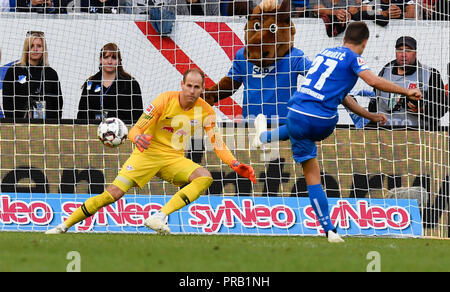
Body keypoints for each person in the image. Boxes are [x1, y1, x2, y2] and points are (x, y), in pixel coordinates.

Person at [253, 22, 422, 242]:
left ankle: (329, 230)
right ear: (365, 42)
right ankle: (263, 137)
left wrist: (369, 116)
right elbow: (371, 81)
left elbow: (342, 94)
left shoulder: (325, 54)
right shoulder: (354, 58)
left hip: (295, 112)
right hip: (323, 122)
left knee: (310, 171)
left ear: (343, 39)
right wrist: (406, 92)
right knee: (303, 136)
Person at [46, 68, 256, 235]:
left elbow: (218, 144)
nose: (192, 90)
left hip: (173, 159)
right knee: (112, 194)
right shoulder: (164, 100)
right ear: (181, 85)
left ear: (202, 89)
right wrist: (137, 137)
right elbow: (136, 129)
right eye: (189, 85)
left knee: (204, 177)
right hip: (145, 155)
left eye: (197, 87)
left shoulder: (206, 110)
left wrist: (235, 164)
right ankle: (64, 225)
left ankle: (159, 216)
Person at [368, 36, 447, 130]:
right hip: (387, 133)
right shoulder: (385, 72)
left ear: (415, 53)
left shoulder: (430, 74)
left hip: (420, 134)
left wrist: (422, 110)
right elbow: (374, 105)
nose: (403, 54)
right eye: (399, 50)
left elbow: (442, 108)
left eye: (408, 50)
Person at [2, 31, 63, 121]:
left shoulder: (51, 74)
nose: (35, 49)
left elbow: (58, 104)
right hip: (19, 126)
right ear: (26, 48)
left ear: (43, 49)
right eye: (31, 46)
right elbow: (7, 102)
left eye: (39, 46)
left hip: (46, 128)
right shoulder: (14, 71)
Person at [76, 43, 143, 124]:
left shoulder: (131, 84)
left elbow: (138, 116)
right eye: (106, 57)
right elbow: (82, 115)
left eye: (114, 58)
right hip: (95, 132)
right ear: (100, 59)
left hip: (122, 132)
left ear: (119, 61)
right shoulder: (90, 84)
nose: (110, 61)